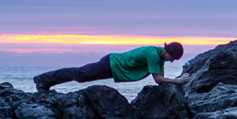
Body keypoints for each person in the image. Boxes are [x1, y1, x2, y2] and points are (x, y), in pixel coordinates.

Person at [33, 42, 190, 92]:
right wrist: (179, 81)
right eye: (172, 58)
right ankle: (43, 80)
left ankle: (45, 82)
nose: (171, 61)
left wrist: (177, 80)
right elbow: (159, 79)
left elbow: (159, 80)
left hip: (115, 68)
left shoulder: (158, 58)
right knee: (80, 74)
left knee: (81, 76)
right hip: (112, 64)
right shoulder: (153, 55)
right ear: (167, 51)